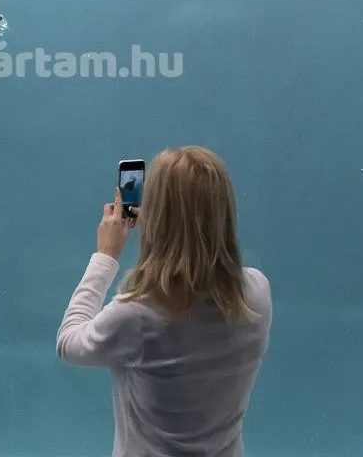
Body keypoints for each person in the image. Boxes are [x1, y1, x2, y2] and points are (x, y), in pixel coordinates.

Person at [55, 146, 272, 457]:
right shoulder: (256, 294)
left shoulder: (139, 314)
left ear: (156, 215)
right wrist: (172, 225)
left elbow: (68, 342)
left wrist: (105, 257)